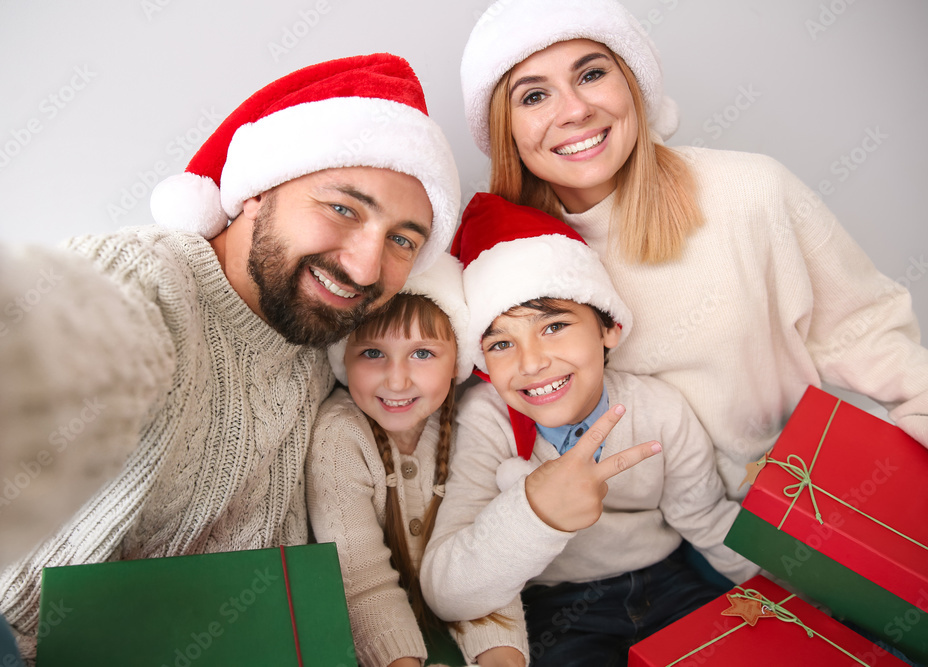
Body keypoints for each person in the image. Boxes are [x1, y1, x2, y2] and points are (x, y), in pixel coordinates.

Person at [0, 52, 461, 662]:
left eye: (401, 240)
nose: (365, 265)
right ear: (255, 195)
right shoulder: (146, 282)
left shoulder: (318, 354)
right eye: (343, 209)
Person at [458, 0, 928, 500]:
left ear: (633, 83)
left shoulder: (750, 193)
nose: (574, 110)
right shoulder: (496, 259)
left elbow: (867, 335)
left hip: (784, 501)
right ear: (504, 128)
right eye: (533, 96)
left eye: (592, 74)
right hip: (628, 540)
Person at [420, 193, 760, 666]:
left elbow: (706, 522)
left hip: (667, 582)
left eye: (554, 326)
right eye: (500, 343)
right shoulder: (487, 421)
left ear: (609, 329)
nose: (532, 362)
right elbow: (448, 590)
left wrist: (803, 594)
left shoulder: (659, 409)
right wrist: (536, 511)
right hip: (559, 608)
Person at [307, 253, 527, 667]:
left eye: (422, 354)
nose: (396, 380)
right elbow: (361, 582)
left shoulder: (470, 425)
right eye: (373, 354)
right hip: (377, 639)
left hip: (452, 616)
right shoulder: (339, 437)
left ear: (456, 363)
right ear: (344, 360)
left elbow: (483, 560)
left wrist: (503, 656)